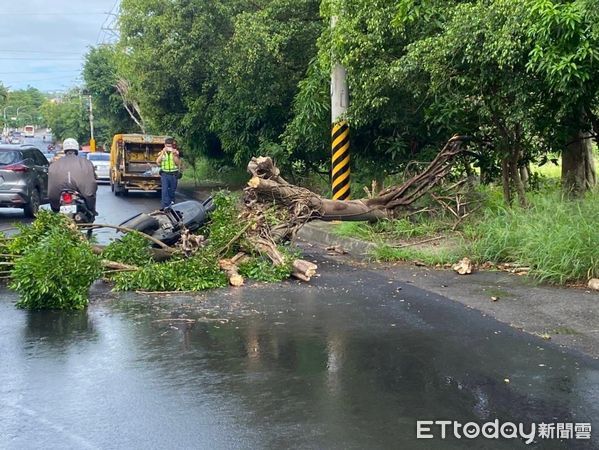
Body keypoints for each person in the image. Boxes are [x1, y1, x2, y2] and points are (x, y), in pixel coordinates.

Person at [48, 137, 98, 214]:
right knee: (92, 195)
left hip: (59, 199)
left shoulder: (54, 164)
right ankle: (92, 212)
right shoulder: (86, 163)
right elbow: (91, 185)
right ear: (76, 149)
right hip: (74, 197)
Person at [156, 137, 181, 208]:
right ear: (165, 145)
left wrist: (174, 155)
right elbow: (157, 162)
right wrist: (162, 153)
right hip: (165, 174)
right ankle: (165, 207)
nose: (169, 148)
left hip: (173, 175)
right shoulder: (162, 153)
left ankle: (172, 206)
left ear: (172, 146)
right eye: (167, 146)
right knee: (164, 192)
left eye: (170, 146)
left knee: (172, 191)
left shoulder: (175, 152)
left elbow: (177, 163)